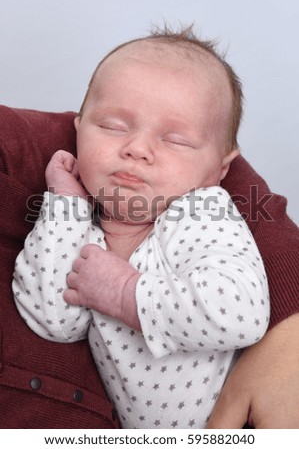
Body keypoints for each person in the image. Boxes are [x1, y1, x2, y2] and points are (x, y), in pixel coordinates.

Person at [12, 27, 270, 429]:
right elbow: (55, 322)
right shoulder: (86, 232)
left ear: (219, 170)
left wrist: (125, 293)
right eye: (114, 126)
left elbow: (241, 312)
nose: (137, 148)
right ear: (78, 130)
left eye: (175, 140)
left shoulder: (200, 213)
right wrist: (66, 204)